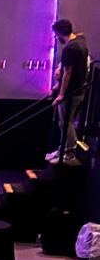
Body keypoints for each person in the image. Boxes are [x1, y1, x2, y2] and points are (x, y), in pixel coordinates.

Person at [48, 18, 90, 163]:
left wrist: (60, 94)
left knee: (66, 122)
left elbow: (67, 72)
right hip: (78, 90)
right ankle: (63, 149)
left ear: (59, 33)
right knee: (65, 122)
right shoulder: (80, 41)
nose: (55, 37)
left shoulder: (69, 48)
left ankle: (68, 152)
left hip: (71, 93)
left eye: (55, 34)